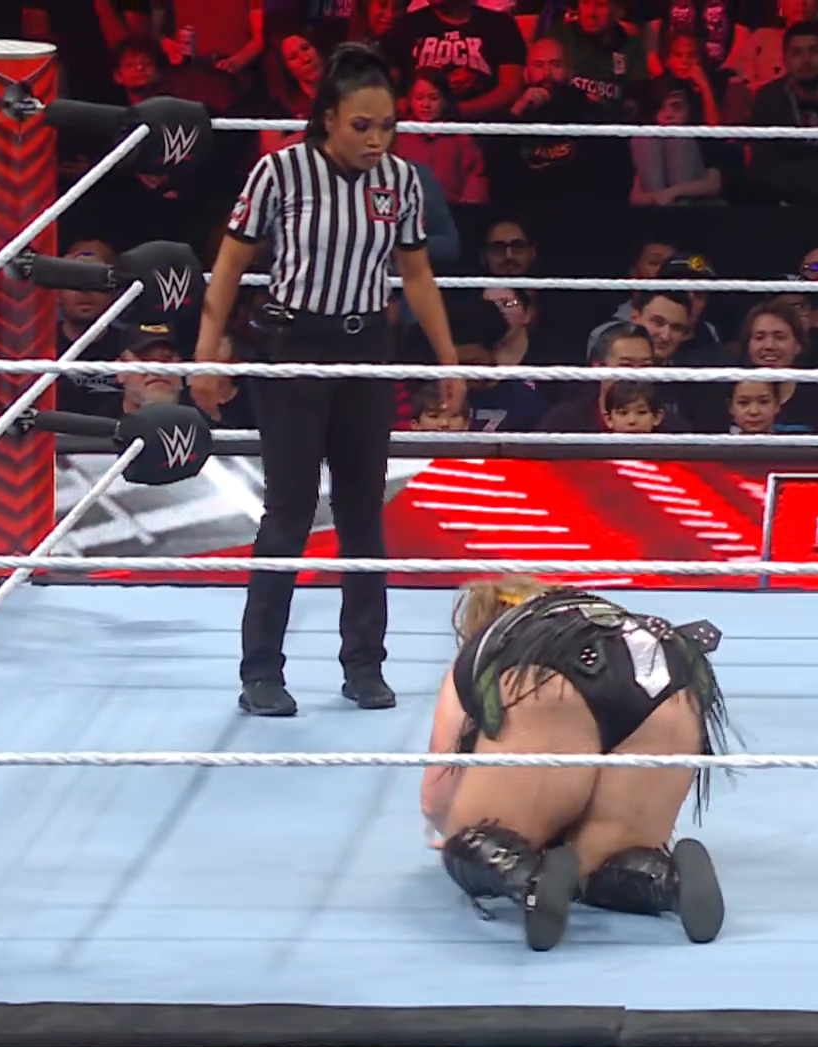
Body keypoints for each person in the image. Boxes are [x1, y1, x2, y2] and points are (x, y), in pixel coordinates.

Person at [193, 43, 466, 718]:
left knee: (363, 512)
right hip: (294, 348)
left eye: (387, 126)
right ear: (327, 119)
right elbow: (229, 265)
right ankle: (261, 670)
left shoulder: (400, 181)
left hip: (366, 348)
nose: (377, 140)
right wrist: (206, 352)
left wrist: (448, 357)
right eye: (361, 126)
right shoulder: (280, 172)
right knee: (288, 513)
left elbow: (416, 273)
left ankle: (364, 664)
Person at [420, 576, 733, 951]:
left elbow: (435, 797)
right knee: (606, 863)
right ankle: (665, 882)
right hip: (668, 673)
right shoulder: (605, 617)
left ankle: (525, 876)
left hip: (551, 670)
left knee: (476, 841)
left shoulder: (495, 646)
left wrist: (458, 826)